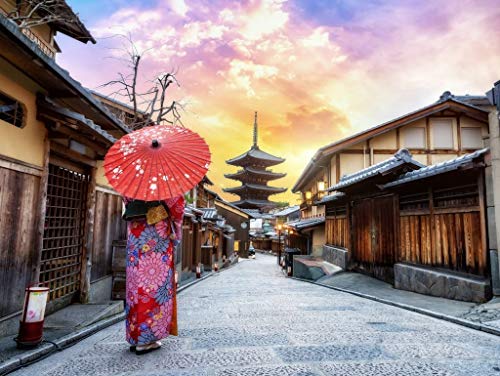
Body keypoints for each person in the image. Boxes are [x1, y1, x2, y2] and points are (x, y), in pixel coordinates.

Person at [123, 196, 184, 355]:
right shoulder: (164, 179)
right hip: (156, 233)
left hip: (136, 232)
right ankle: (146, 340)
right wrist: (176, 232)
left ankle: (135, 337)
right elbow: (177, 206)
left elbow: (126, 201)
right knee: (153, 285)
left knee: (135, 286)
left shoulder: (133, 178)